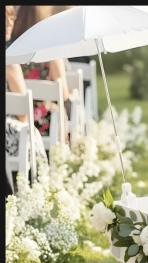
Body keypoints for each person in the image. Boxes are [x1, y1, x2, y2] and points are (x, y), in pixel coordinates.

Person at [11, 5, 71, 141]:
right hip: (44, 120)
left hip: (16, 118)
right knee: (61, 110)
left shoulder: (10, 51)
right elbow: (63, 94)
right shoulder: (50, 52)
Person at [6, 5, 47, 192]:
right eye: (5, 18)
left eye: (12, 18)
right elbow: (23, 114)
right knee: (30, 134)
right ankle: (36, 191)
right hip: (9, 135)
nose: (8, 23)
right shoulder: (9, 62)